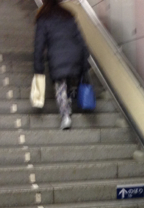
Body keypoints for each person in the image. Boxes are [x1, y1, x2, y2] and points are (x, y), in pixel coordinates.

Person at [34, 0, 90, 130]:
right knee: (70, 80)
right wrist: (85, 59)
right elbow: (80, 39)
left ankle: (65, 115)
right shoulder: (68, 15)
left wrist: (38, 67)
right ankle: (70, 100)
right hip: (75, 55)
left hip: (57, 57)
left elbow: (39, 45)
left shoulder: (43, 18)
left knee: (60, 85)